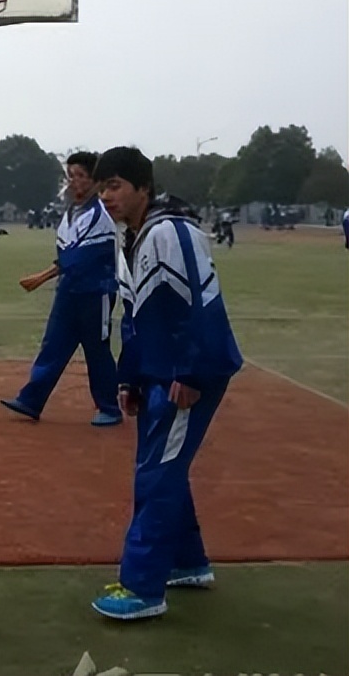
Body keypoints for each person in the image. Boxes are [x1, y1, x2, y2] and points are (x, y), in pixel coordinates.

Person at [90, 146, 242, 620]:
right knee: (162, 465)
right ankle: (186, 560)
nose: (107, 197)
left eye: (114, 186)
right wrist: (129, 378)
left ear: (143, 188)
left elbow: (194, 306)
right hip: (162, 371)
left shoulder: (171, 233)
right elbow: (136, 315)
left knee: (157, 473)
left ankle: (142, 587)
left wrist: (189, 374)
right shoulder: (132, 238)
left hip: (191, 372)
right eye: (101, 189)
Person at [1, 152, 122, 426]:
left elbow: (78, 257)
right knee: (53, 345)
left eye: (81, 176)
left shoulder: (99, 215)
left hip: (95, 291)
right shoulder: (70, 214)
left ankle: (109, 407)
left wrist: (41, 277)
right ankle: (31, 400)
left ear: (94, 181)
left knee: (97, 350)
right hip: (69, 290)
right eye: (71, 176)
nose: (74, 182)